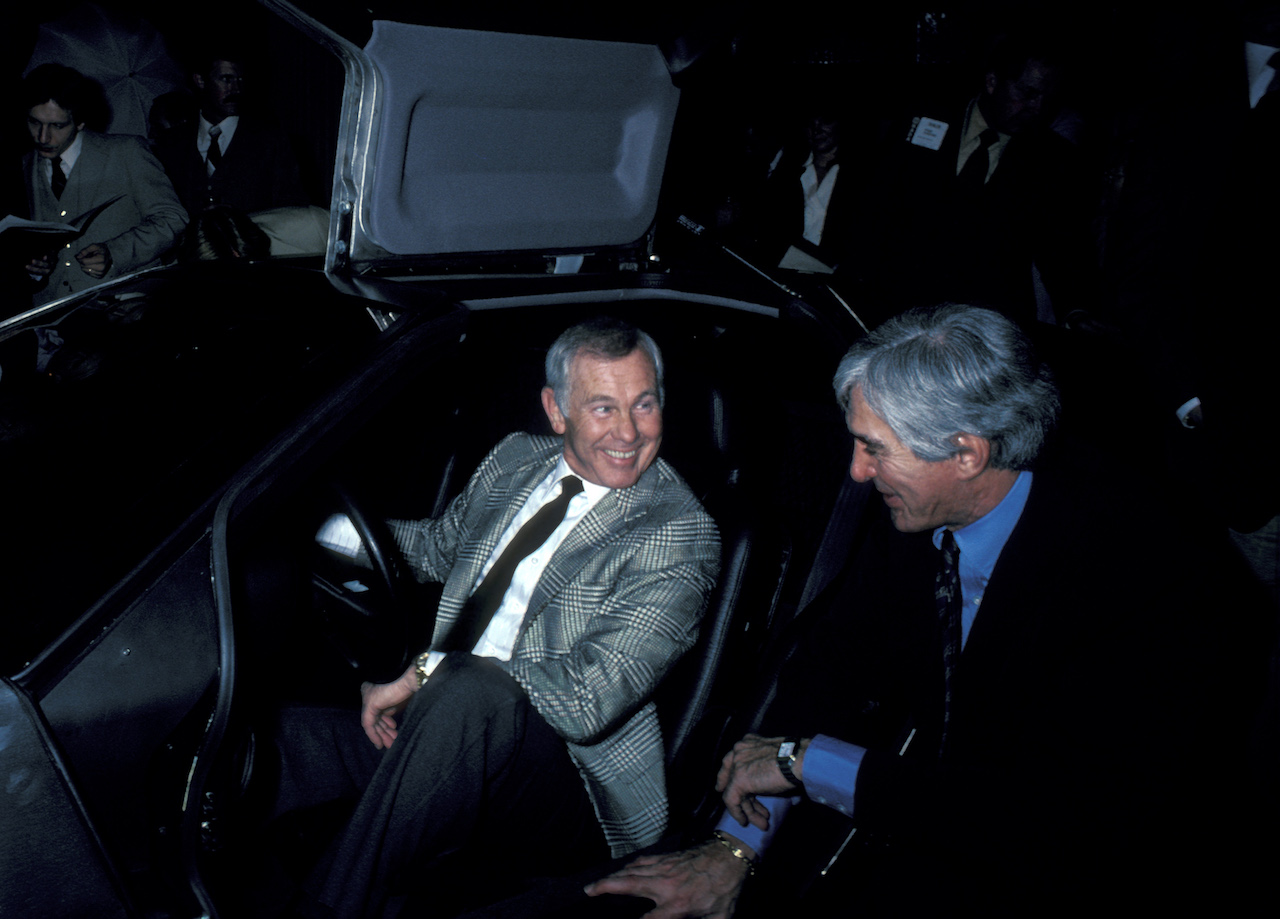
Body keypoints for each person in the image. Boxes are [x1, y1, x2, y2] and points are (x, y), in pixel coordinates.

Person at [586, 303, 1267, 916]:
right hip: (952, 825)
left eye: (874, 448)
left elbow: (1061, 820)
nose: (854, 471)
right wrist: (734, 848)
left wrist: (808, 763)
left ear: (967, 452)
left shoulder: (1152, 575)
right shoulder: (922, 510)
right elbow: (827, 669)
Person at [267, 317, 721, 919]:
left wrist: (428, 671)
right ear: (555, 411)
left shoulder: (678, 531)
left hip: (567, 782)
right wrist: (304, 524)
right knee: (273, 743)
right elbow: (436, 548)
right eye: (604, 409)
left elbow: (590, 697)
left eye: (645, 404)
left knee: (470, 692)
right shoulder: (515, 458)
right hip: (446, 719)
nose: (630, 432)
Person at [854, 32, 1098, 328]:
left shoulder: (1054, 159)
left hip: (987, 326)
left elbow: (1064, 250)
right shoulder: (924, 118)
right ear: (992, 82)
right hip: (900, 312)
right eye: (1027, 94)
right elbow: (875, 205)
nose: (1038, 109)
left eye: (1049, 99)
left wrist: (1077, 311)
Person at [20, 63, 188, 306]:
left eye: (57, 126)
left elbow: (173, 219)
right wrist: (34, 266)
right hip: (50, 317)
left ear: (79, 122)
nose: (43, 137)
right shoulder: (24, 165)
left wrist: (115, 252)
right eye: (35, 123)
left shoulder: (126, 152)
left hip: (123, 310)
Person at [154, 48, 307, 217]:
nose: (236, 89)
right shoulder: (172, 143)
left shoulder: (271, 141)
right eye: (226, 79)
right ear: (200, 80)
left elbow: (292, 210)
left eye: (240, 79)